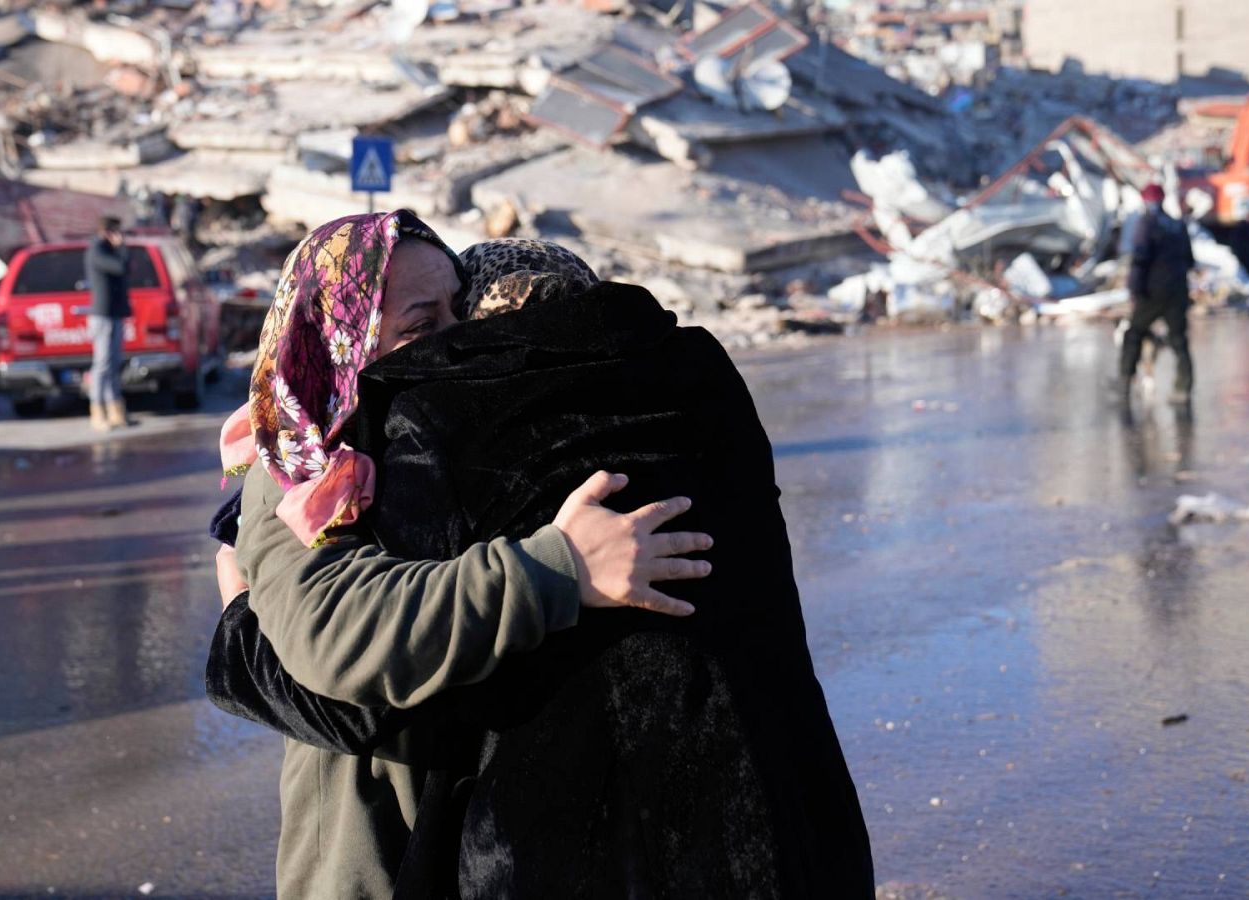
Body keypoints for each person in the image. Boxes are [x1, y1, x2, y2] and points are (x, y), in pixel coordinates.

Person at [211, 237, 872, 898]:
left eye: (460, 324)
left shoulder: (459, 450)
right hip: (792, 822)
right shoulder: (691, 405)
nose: (450, 349)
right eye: (424, 326)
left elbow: (371, 706)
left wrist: (241, 634)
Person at [1120, 183, 1196, 403]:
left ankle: (1125, 381)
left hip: (1151, 292)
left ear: (1145, 201)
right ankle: (1183, 388)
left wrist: (1134, 289)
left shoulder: (1146, 224)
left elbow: (1139, 259)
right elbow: (1189, 260)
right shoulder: (1177, 225)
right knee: (1179, 340)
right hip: (1177, 291)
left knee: (1134, 334)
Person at [85, 216, 133, 431]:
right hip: (102, 315)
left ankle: (116, 412)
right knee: (102, 364)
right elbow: (121, 267)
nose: (120, 236)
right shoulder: (97, 250)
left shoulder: (109, 250)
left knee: (114, 364)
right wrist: (121, 246)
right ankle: (97, 412)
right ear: (107, 231)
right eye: (117, 232)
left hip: (114, 314)